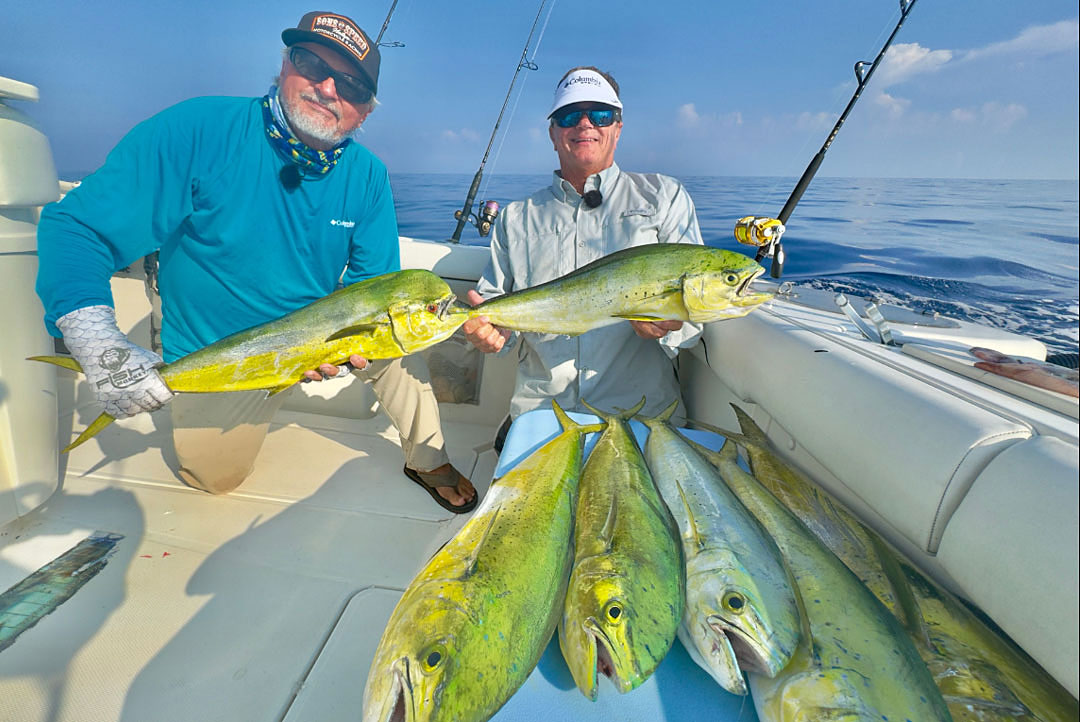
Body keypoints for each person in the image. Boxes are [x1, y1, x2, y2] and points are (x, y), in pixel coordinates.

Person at [35, 11, 477, 512]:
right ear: (284, 65)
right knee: (214, 478)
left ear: (365, 112)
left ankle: (427, 459)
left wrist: (337, 349)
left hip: (320, 339)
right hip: (221, 350)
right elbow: (77, 227)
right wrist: (96, 341)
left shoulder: (368, 175)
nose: (328, 88)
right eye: (311, 64)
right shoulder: (200, 129)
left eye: (352, 85)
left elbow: (376, 288)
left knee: (401, 339)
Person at [463, 66, 706, 442]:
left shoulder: (664, 198)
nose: (585, 124)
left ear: (618, 127)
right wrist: (488, 334)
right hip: (542, 417)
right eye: (569, 115)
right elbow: (497, 316)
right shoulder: (515, 218)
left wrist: (668, 326)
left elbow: (695, 316)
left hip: (642, 418)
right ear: (553, 133)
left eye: (600, 114)